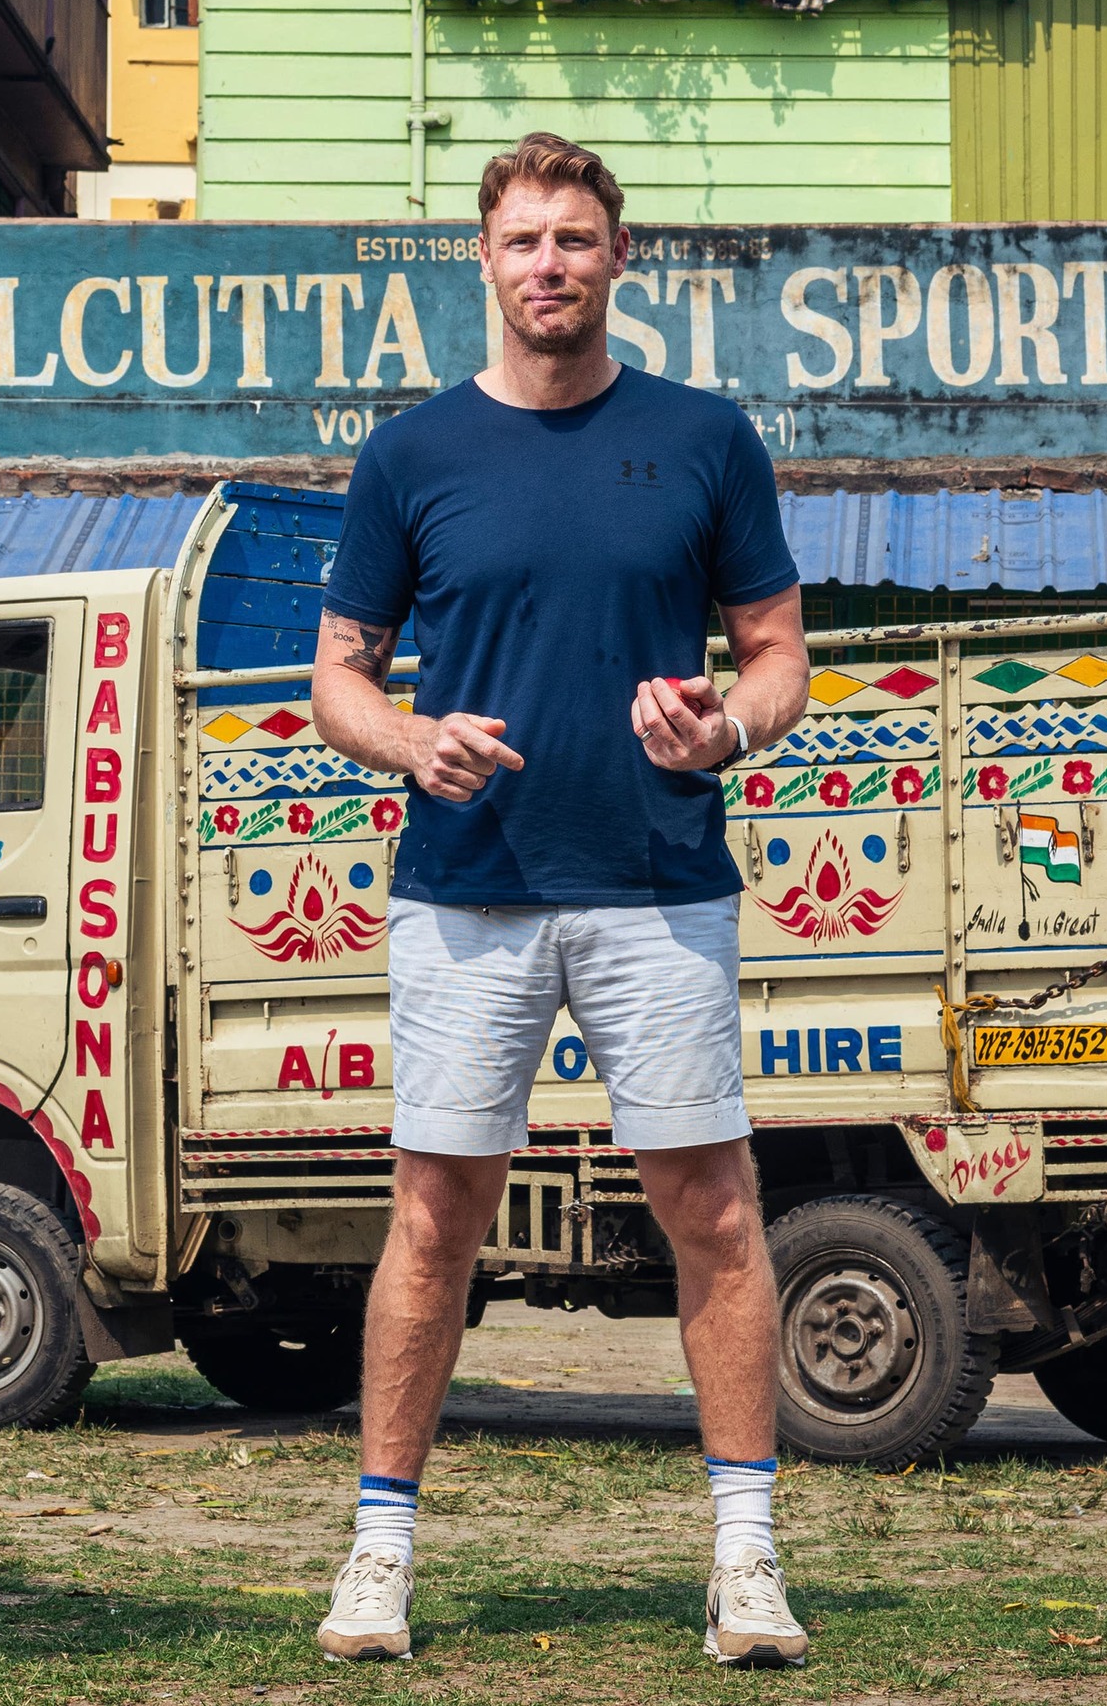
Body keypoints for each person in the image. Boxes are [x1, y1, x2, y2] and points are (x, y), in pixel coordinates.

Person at [307, 131, 812, 1669]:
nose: (550, 264)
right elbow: (337, 678)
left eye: (577, 238)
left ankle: (746, 1559)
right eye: (524, 238)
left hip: (659, 883)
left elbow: (781, 651)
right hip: (467, 890)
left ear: (619, 255)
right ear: (483, 257)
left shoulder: (708, 437)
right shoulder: (408, 457)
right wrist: (410, 738)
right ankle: (378, 1553)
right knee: (433, 1215)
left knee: (712, 1211)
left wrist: (724, 727)